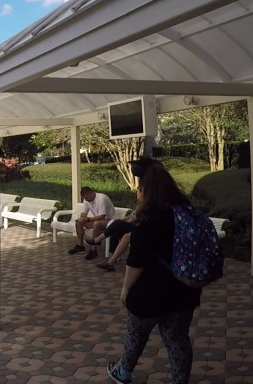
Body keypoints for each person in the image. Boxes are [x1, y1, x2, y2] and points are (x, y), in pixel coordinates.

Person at [107, 160, 202, 384]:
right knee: (178, 339)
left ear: (146, 191)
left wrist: (126, 288)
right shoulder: (187, 214)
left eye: (140, 189)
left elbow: (137, 261)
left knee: (136, 335)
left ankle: (123, 372)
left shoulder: (146, 221)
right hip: (183, 290)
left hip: (149, 294)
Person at [68, 186, 116, 260]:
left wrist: (88, 219)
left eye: (86, 198)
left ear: (90, 193)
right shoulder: (87, 200)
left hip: (110, 221)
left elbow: (102, 217)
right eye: (84, 199)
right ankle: (80, 246)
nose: (86, 200)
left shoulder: (101, 198)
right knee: (78, 223)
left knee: (97, 223)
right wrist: (82, 219)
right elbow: (84, 213)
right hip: (99, 221)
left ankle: (94, 250)